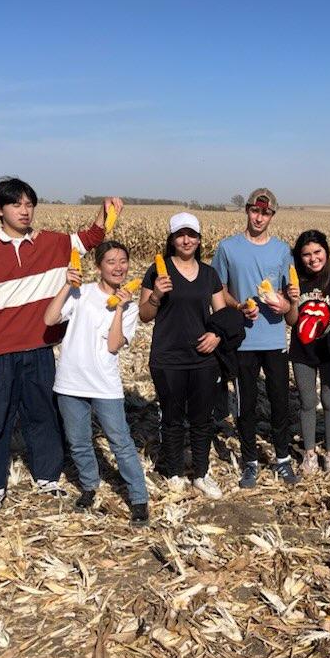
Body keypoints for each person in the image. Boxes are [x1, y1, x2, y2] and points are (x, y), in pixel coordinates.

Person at [0, 177, 119, 517]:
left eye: (29, 204)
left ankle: (47, 477)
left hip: (39, 346)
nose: (24, 211)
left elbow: (90, 238)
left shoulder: (54, 243)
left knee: (43, 414)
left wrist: (105, 213)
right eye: (16, 204)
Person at [44, 240, 149, 525]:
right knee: (78, 442)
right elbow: (50, 317)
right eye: (111, 261)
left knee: (121, 442)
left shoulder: (130, 308)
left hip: (105, 384)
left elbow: (114, 345)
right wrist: (66, 285)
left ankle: (138, 498)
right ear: (98, 266)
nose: (118, 267)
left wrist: (119, 308)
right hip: (70, 381)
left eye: (123, 261)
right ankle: (90, 486)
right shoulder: (81, 293)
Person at [211, 189, 297, 488]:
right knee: (245, 405)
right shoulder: (228, 248)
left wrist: (285, 305)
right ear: (247, 211)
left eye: (266, 213)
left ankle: (283, 459)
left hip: (274, 340)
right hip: (243, 341)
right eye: (254, 211)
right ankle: (249, 461)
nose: (259, 217)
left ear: (272, 216)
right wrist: (237, 307)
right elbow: (218, 287)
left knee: (280, 403)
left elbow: (289, 294)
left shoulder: (282, 251)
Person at [140, 213, 228, 499]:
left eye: (191, 234)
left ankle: (201, 474)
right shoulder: (158, 272)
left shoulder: (209, 274)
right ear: (172, 239)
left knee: (202, 419)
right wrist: (156, 295)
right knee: (173, 418)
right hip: (168, 357)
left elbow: (223, 314)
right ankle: (175, 471)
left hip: (203, 359)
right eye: (180, 234)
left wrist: (217, 336)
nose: (186, 240)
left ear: (200, 239)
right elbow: (144, 315)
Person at [284, 230, 330, 475]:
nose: (313, 259)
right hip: (302, 350)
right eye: (306, 255)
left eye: (317, 252)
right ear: (299, 258)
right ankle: (310, 453)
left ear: (326, 251)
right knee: (307, 401)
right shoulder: (294, 281)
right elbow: (291, 321)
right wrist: (292, 301)